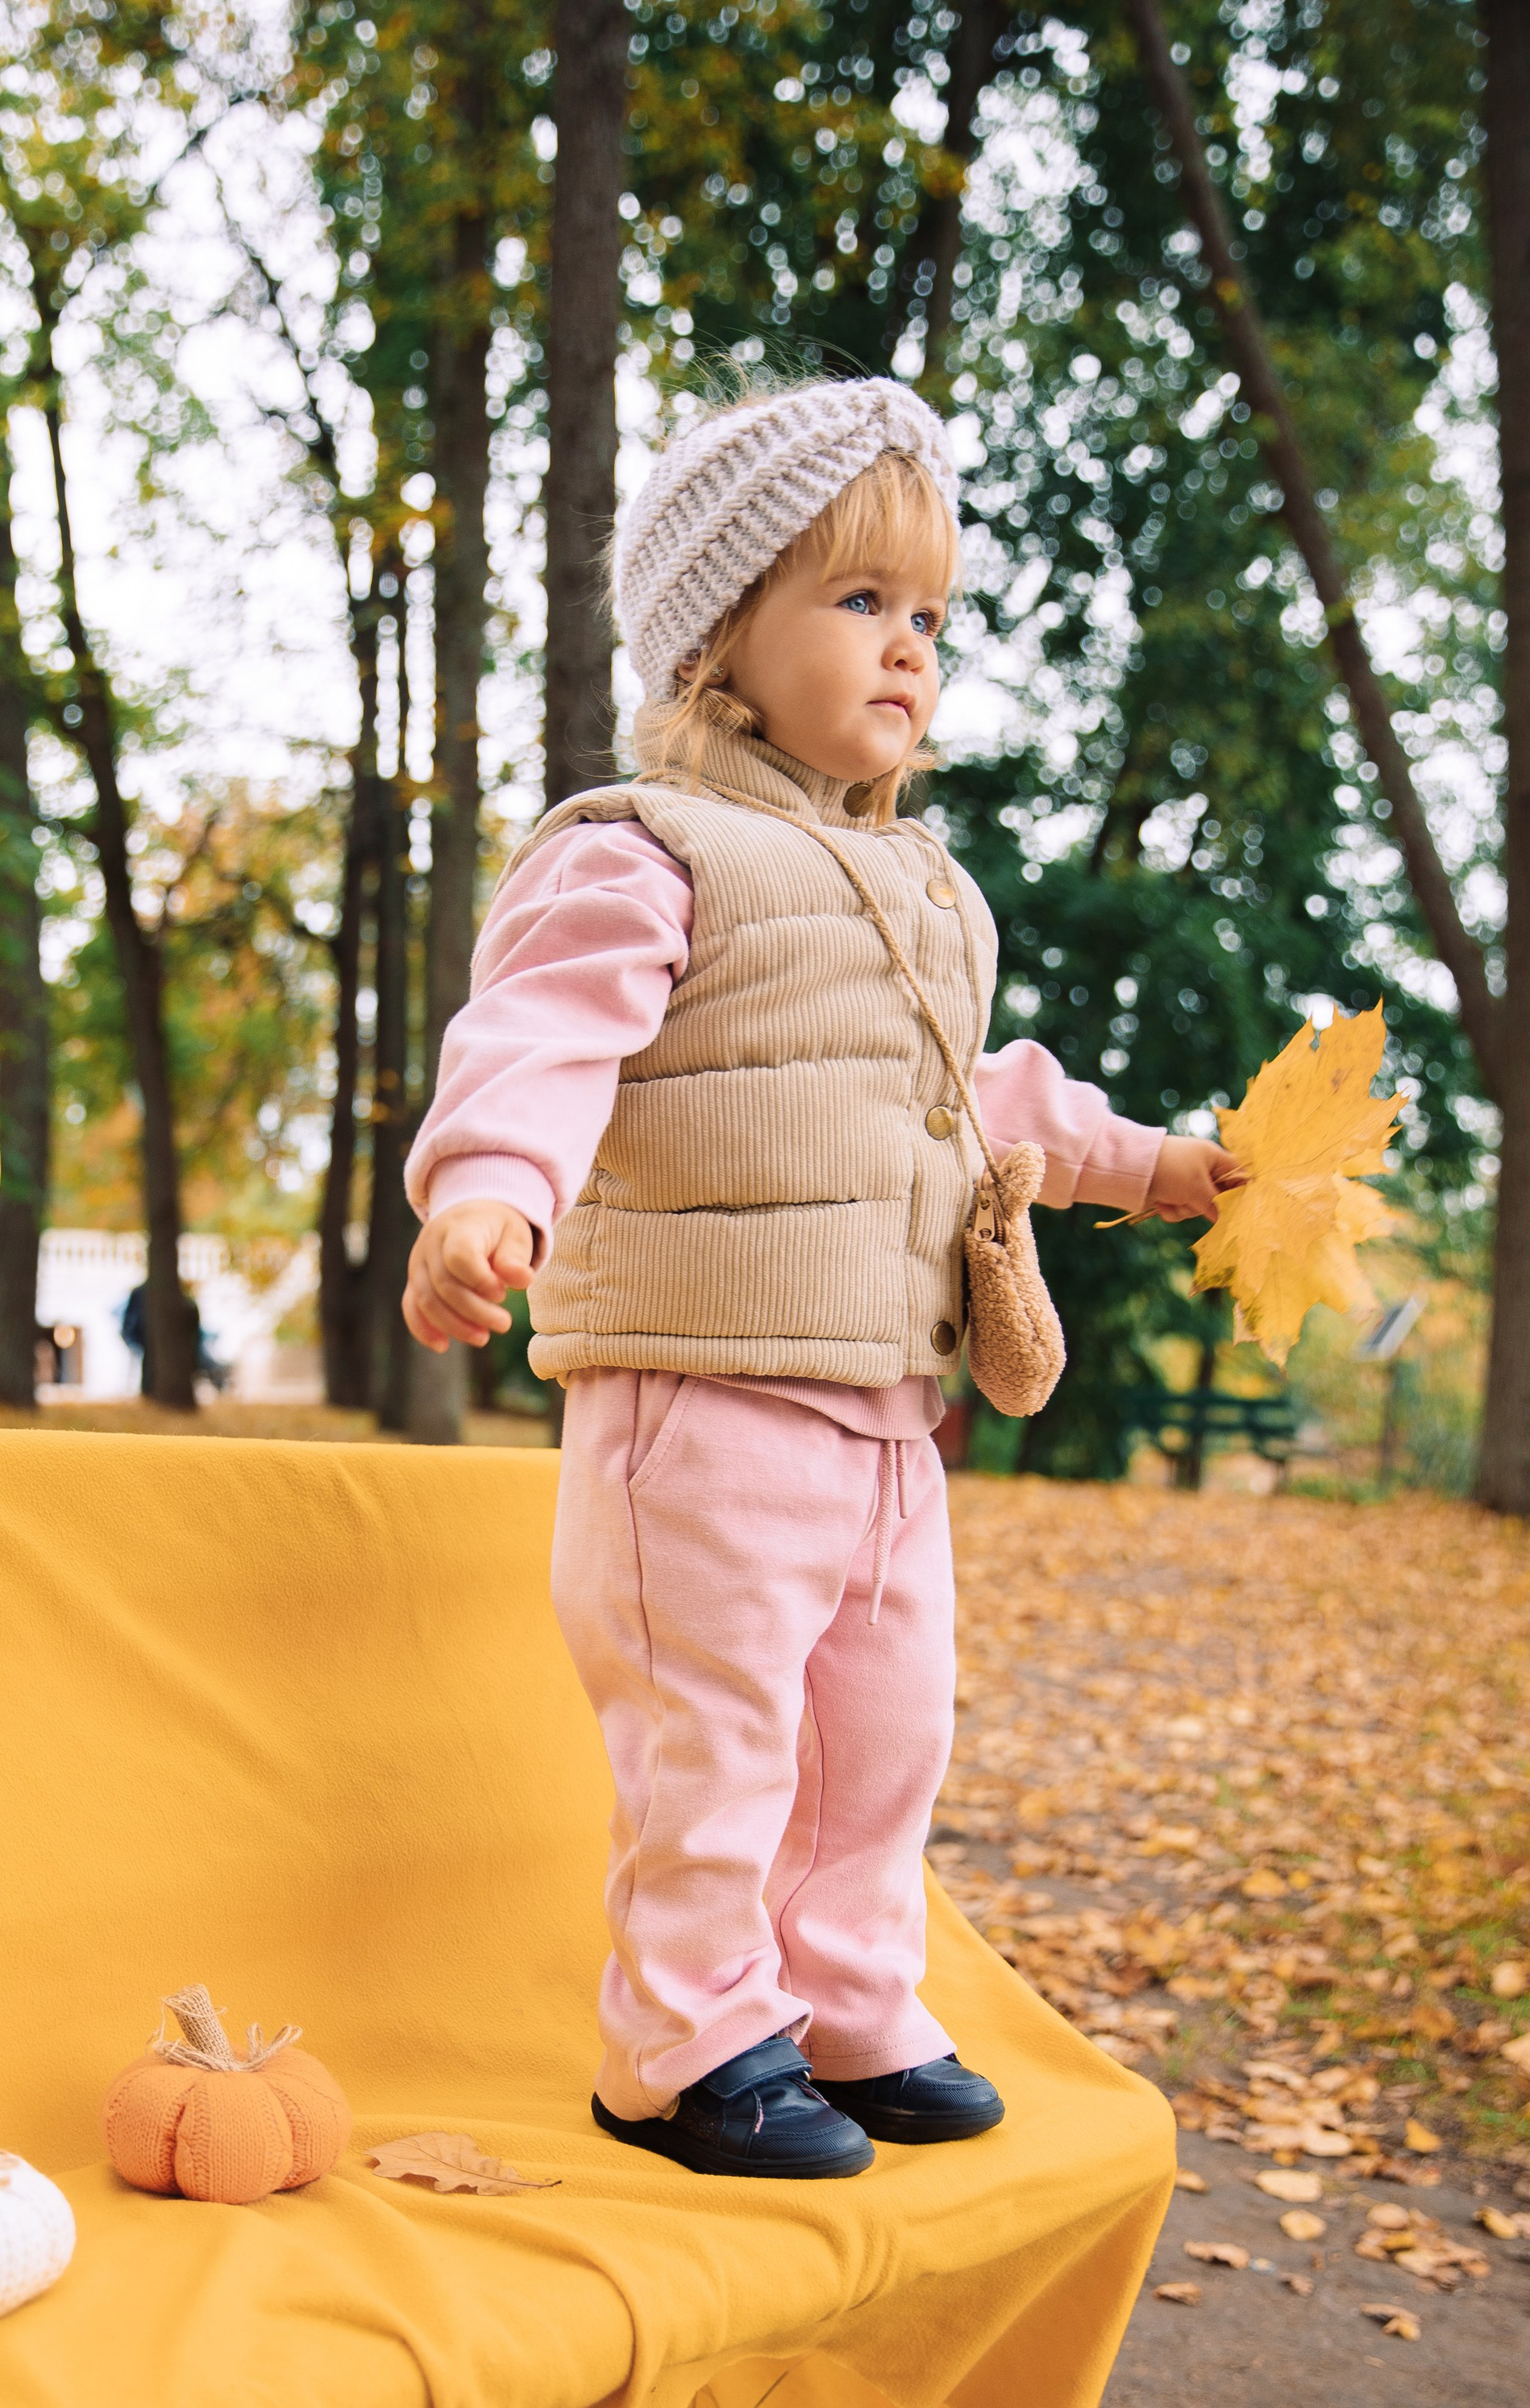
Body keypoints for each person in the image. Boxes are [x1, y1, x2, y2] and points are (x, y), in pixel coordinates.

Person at [402, 377, 1243, 2185]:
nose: (906, 649)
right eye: (856, 602)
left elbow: (977, 1099)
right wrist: (485, 1193)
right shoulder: (640, 849)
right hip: (697, 1406)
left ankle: (846, 2003)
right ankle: (682, 2045)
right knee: (715, 1744)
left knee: (880, 1736)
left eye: (927, 614)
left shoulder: (910, 885)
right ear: (718, 632)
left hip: (881, 1412)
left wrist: (1158, 1165)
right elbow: (538, 1039)